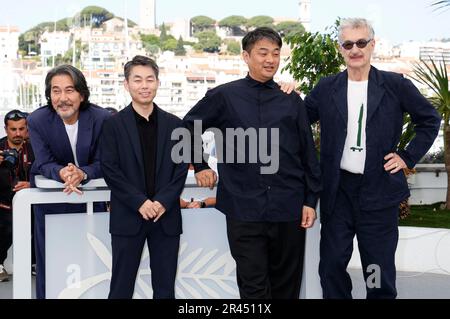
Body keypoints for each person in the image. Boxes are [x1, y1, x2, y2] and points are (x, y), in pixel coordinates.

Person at [304, 18, 441, 299]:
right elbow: (298, 120)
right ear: (340, 48)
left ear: (372, 45)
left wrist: (407, 156)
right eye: (348, 44)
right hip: (337, 193)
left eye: (361, 42)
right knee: (331, 266)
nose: (355, 49)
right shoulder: (326, 87)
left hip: (378, 193)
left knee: (376, 271)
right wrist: (286, 94)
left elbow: (429, 119)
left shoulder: (395, 85)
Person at [183, 27, 321, 299]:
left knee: (286, 287)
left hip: (288, 207)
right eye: (263, 53)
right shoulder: (224, 96)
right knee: (253, 287)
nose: (271, 59)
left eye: (276, 53)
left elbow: (307, 152)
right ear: (246, 56)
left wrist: (310, 199)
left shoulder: (290, 98)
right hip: (243, 208)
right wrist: (200, 165)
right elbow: (188, 128)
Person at [100, 55, 188, 299]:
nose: (144, 85)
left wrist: (162, 202)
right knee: (120, 288)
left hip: (165, 217)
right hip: (128, 216)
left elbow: (180, 171)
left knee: (165, 289)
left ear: (158, 83)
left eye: (150, 79)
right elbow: (110, 170)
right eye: (137, 79)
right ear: (127, 85)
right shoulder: (112, 125)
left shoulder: (176, 125)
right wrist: (140, 202)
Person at [27, 64, 110, 299]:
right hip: (51, 203)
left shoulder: (101, 118)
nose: (62, 98)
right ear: (49, 95)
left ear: (82, 94)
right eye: (56, 91)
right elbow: (43, 163)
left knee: (92, 259)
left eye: (69, 90)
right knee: (50, 260)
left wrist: (82, 173)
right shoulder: (38, 120)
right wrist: (64, 172)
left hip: (91, 200)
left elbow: (105, 162)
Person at [0, 110, 35, 282]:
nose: (18, 134)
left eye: (22, 129)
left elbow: (46, 170)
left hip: (32, 201)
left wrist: (31, 184)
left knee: (41, 224)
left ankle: (36, 263)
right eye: (13, 129)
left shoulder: (35, 147)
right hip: (3, 204)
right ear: (6, 129)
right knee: (4, 226)